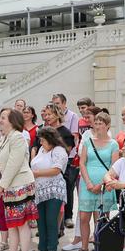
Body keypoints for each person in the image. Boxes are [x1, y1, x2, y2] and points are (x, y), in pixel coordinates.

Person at [0, 109, 38, 251]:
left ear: (12, 121)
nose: (0, 121)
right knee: (12, 224)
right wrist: (0, 184)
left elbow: (14, 164)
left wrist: (1, 185)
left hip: (20, 186)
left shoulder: (18, 137)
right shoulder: (5, 138)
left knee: (22, 224)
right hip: (10, 187)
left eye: (3, 118)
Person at [73, 112, 119, 251]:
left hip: (105, 184)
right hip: (87, 184)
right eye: (96, 123)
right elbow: (82, 162)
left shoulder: (113, 144)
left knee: (102, 219)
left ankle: (101, 247)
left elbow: (114, 166)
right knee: (84, 217)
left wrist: (101, 184)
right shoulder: (88, 141)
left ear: (107, 126)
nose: (98, 126)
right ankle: (84, 247)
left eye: (101, 123)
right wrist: (88, 182)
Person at [30, 127, 68, 251]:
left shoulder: (59, 151)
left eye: (43, 140)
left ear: (50, 139)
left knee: (51, 219)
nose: (41, 142)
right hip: (40, 190)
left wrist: (36, 173)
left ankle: (52, 248)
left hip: (54, 189)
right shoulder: (41, 150)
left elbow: (56, 170)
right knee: (40, 219)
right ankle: (42, 247)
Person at [51, 94, 79, 230]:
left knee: (68, 187)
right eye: (53, 103)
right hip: (53, 160)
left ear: (64, 103)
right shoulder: (49, 123)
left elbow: (73, 136)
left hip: (69, 157)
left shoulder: (73, 116)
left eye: (57, 103)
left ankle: (68, 216)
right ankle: (57, 221)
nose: (56, 106)